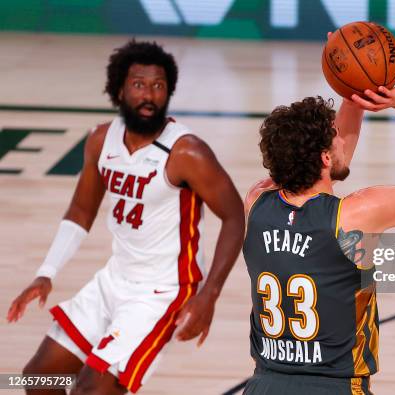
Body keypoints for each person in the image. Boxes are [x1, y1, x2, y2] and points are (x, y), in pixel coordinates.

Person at [6, 40, 245, 394]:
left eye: (158, 86)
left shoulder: (186, 152)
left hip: (162, 292)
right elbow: (81, 210)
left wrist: (209, 295)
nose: (149, 95)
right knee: (39, 378)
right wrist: (46, 273)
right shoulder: (102, 140)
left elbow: (235, 216)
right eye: (138, 84)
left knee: (91, 389)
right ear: (119, 90)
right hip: (114, 280)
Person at [242, 86, 395, 394]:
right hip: (335, 387)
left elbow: (323, 166)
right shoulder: (357, 214)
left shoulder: (256, 202)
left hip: (264, 384)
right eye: (335, 136)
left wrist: (354, 96)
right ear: (324, 157)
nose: (342, 140)